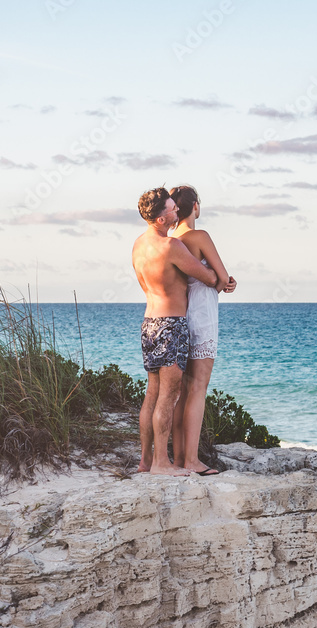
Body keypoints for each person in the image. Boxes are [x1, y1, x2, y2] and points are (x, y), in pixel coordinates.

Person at [132, 187, 218, 475]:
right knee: (168, 397)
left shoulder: (138, 245)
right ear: (160, 219)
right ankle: (161, 463)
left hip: (149, 324)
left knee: (152, 394)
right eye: (171, 209)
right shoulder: (170, 247)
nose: (175, 212)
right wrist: (217, 276)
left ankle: (145, 461)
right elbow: (208, 277)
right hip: (171, 325)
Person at [168, 186, 237, 476]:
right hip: (203, 315)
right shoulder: (199, 237)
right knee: (198, 388)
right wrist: (226, 282)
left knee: (183, 391)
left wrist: (221, 281)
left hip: (182, 315)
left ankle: (181, 457)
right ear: (195, 206)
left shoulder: (173, 240)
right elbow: (220, 278)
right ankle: (192, 461)